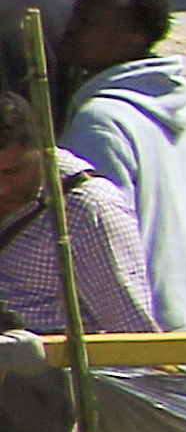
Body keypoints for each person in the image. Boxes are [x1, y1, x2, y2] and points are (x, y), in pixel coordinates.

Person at [51, 0, 186, 334]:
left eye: (85, 22)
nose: (70, 28)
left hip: (135, 338)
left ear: (132, 40)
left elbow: (99, 245)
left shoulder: (101, 121)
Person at [0, 81, 171, 338]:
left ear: (44, 149)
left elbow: (131, 335)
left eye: (13, 172)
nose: (2, 187)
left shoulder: (91, 210)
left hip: (50, 371)